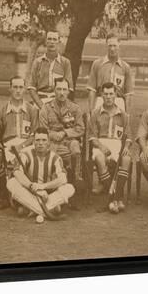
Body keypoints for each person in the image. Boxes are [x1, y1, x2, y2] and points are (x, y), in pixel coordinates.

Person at [0, 76, 39, 208]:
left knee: (26, 160)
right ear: (10, 89)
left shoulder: (32, 110)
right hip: (7, 145)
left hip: (26, 145)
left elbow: (35, 135)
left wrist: (22, 145)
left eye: (21, 87)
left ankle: (25, 196)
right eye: (15, 87)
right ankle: (4, 193)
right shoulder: (0, 110)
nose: (18, 91)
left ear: (25, 90)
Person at [6, 127, 75, 220]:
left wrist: (43, 187)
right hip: (30, 193)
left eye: (44, 140)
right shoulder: (26, 154)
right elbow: (17, 173)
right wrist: (32, 186)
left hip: (48, 195)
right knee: (11, 183)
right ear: (33, 142)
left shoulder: (55, 157)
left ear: (49, 142)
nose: (40, 143)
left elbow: (63, 179)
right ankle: (47, 210)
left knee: (69, 188)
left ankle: (32, 209)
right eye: (37, 140)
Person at [39, 77, 85, 208]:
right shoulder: (46, 108)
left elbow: (80, 128)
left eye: (64, 89)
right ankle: (51, 190)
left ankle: (76, 181)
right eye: (59, 89)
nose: (61, 92)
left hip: (69, 141)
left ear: (69, 91)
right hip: (52, 143)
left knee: (75, 148)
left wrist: (65, 133)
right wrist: (54, 135)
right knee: (51, 157)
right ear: (54, 90)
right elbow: (42, 130)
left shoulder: (74, 108)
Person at [88, 82, 132, 213]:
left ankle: (116, 197)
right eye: (105, 94)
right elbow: (91, 137)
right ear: (101, 95)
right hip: (100, 144)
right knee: (100, 159)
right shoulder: (96, 113)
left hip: (118, 144)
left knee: (127, 159)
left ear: (116, 95)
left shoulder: (123, 114)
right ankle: (114, 197)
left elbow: (128, 136)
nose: (108, 97)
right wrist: (101, 146)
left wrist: (127, 146)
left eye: (111, 94)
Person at [86, 34, 134, 112]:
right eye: (110, 46)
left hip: (118, 101)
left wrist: (127, 114)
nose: (112, 49)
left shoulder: (125, 67)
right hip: (101, 100)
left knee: (118, 124)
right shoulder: (97, 64)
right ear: (106, 46)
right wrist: (91, 111)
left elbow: (128, 93)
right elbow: (92, 90)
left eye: (115, 46)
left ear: (119, 46)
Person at [27, 30, 74, 108]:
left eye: (54, 39)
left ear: (59, 41)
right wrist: (41, 106)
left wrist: (58, 103)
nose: (52, 42)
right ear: (46, 41)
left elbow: (69, 88)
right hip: (40, 100)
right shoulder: (38, 62)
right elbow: (31, 88)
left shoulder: (65, 62)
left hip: (59, 101)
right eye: (49, 39)